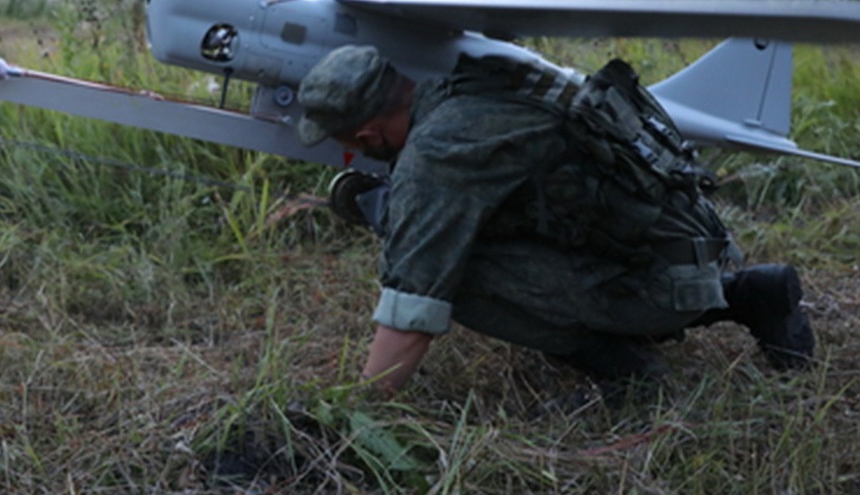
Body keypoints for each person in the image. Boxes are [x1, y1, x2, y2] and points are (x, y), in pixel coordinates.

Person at [296, 44, 815, 397]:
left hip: (661, 286)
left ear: (365, 134)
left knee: (446, 269)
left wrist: (359, 408)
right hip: (692, 250)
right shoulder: (476, 87)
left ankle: (623, 368)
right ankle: (748, 292)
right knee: (442, 239)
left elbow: (410, 312)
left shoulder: (436, 156)